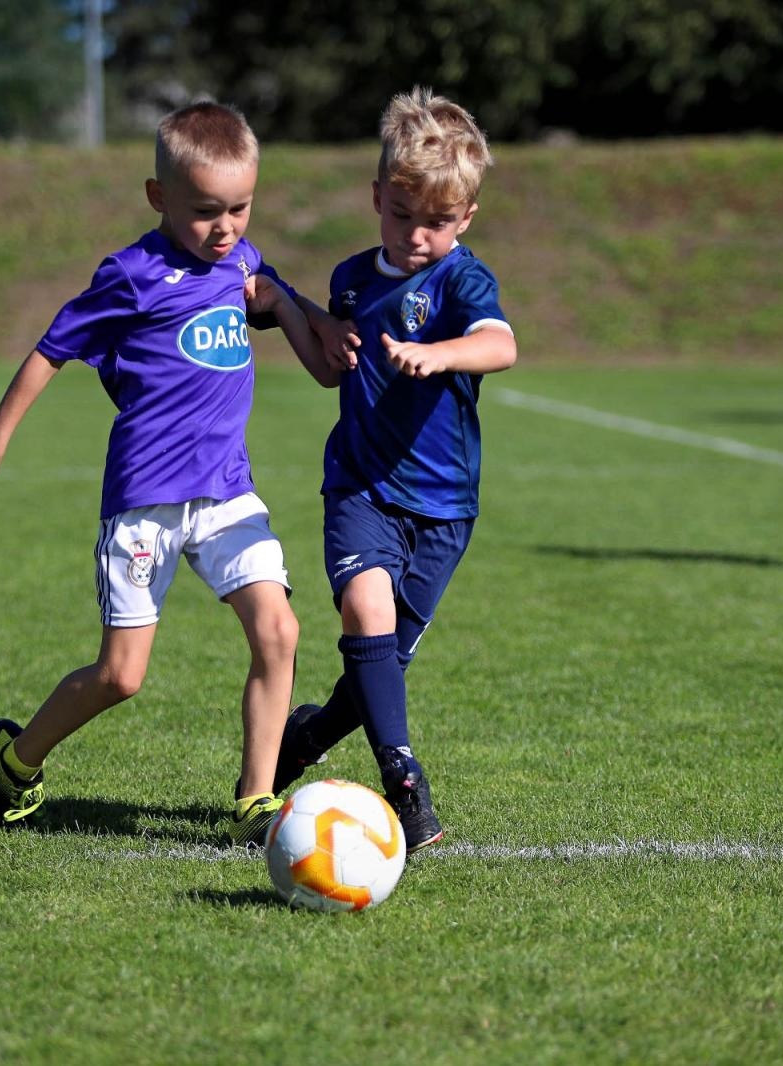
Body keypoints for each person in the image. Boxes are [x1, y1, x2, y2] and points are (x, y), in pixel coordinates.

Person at [0, 102, 326, 846]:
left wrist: (317, 321)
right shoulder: (130, 276)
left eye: (240, 208)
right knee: (122, 676)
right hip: (144, 502)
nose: (226, 227)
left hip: (227, 494)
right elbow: (51, 350)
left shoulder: (243, 261)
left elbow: (276, 299)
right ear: (159, 199)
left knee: (278, 630)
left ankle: (255, 799)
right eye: (206, 211)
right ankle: (15, 759)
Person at [269, 88, 518, 853]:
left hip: (445, 507)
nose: (417, 237)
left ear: (466, 218)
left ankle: (305, 737)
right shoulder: (350, 278)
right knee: (365, 616)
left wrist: (437, 354)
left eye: (437, 224)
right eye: (402, 216)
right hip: (360, 487)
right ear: (377, 198)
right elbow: (326, 370)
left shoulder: (461, 281)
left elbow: (500, 345)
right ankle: (403, 780)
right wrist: (299, 318)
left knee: (384, 666)